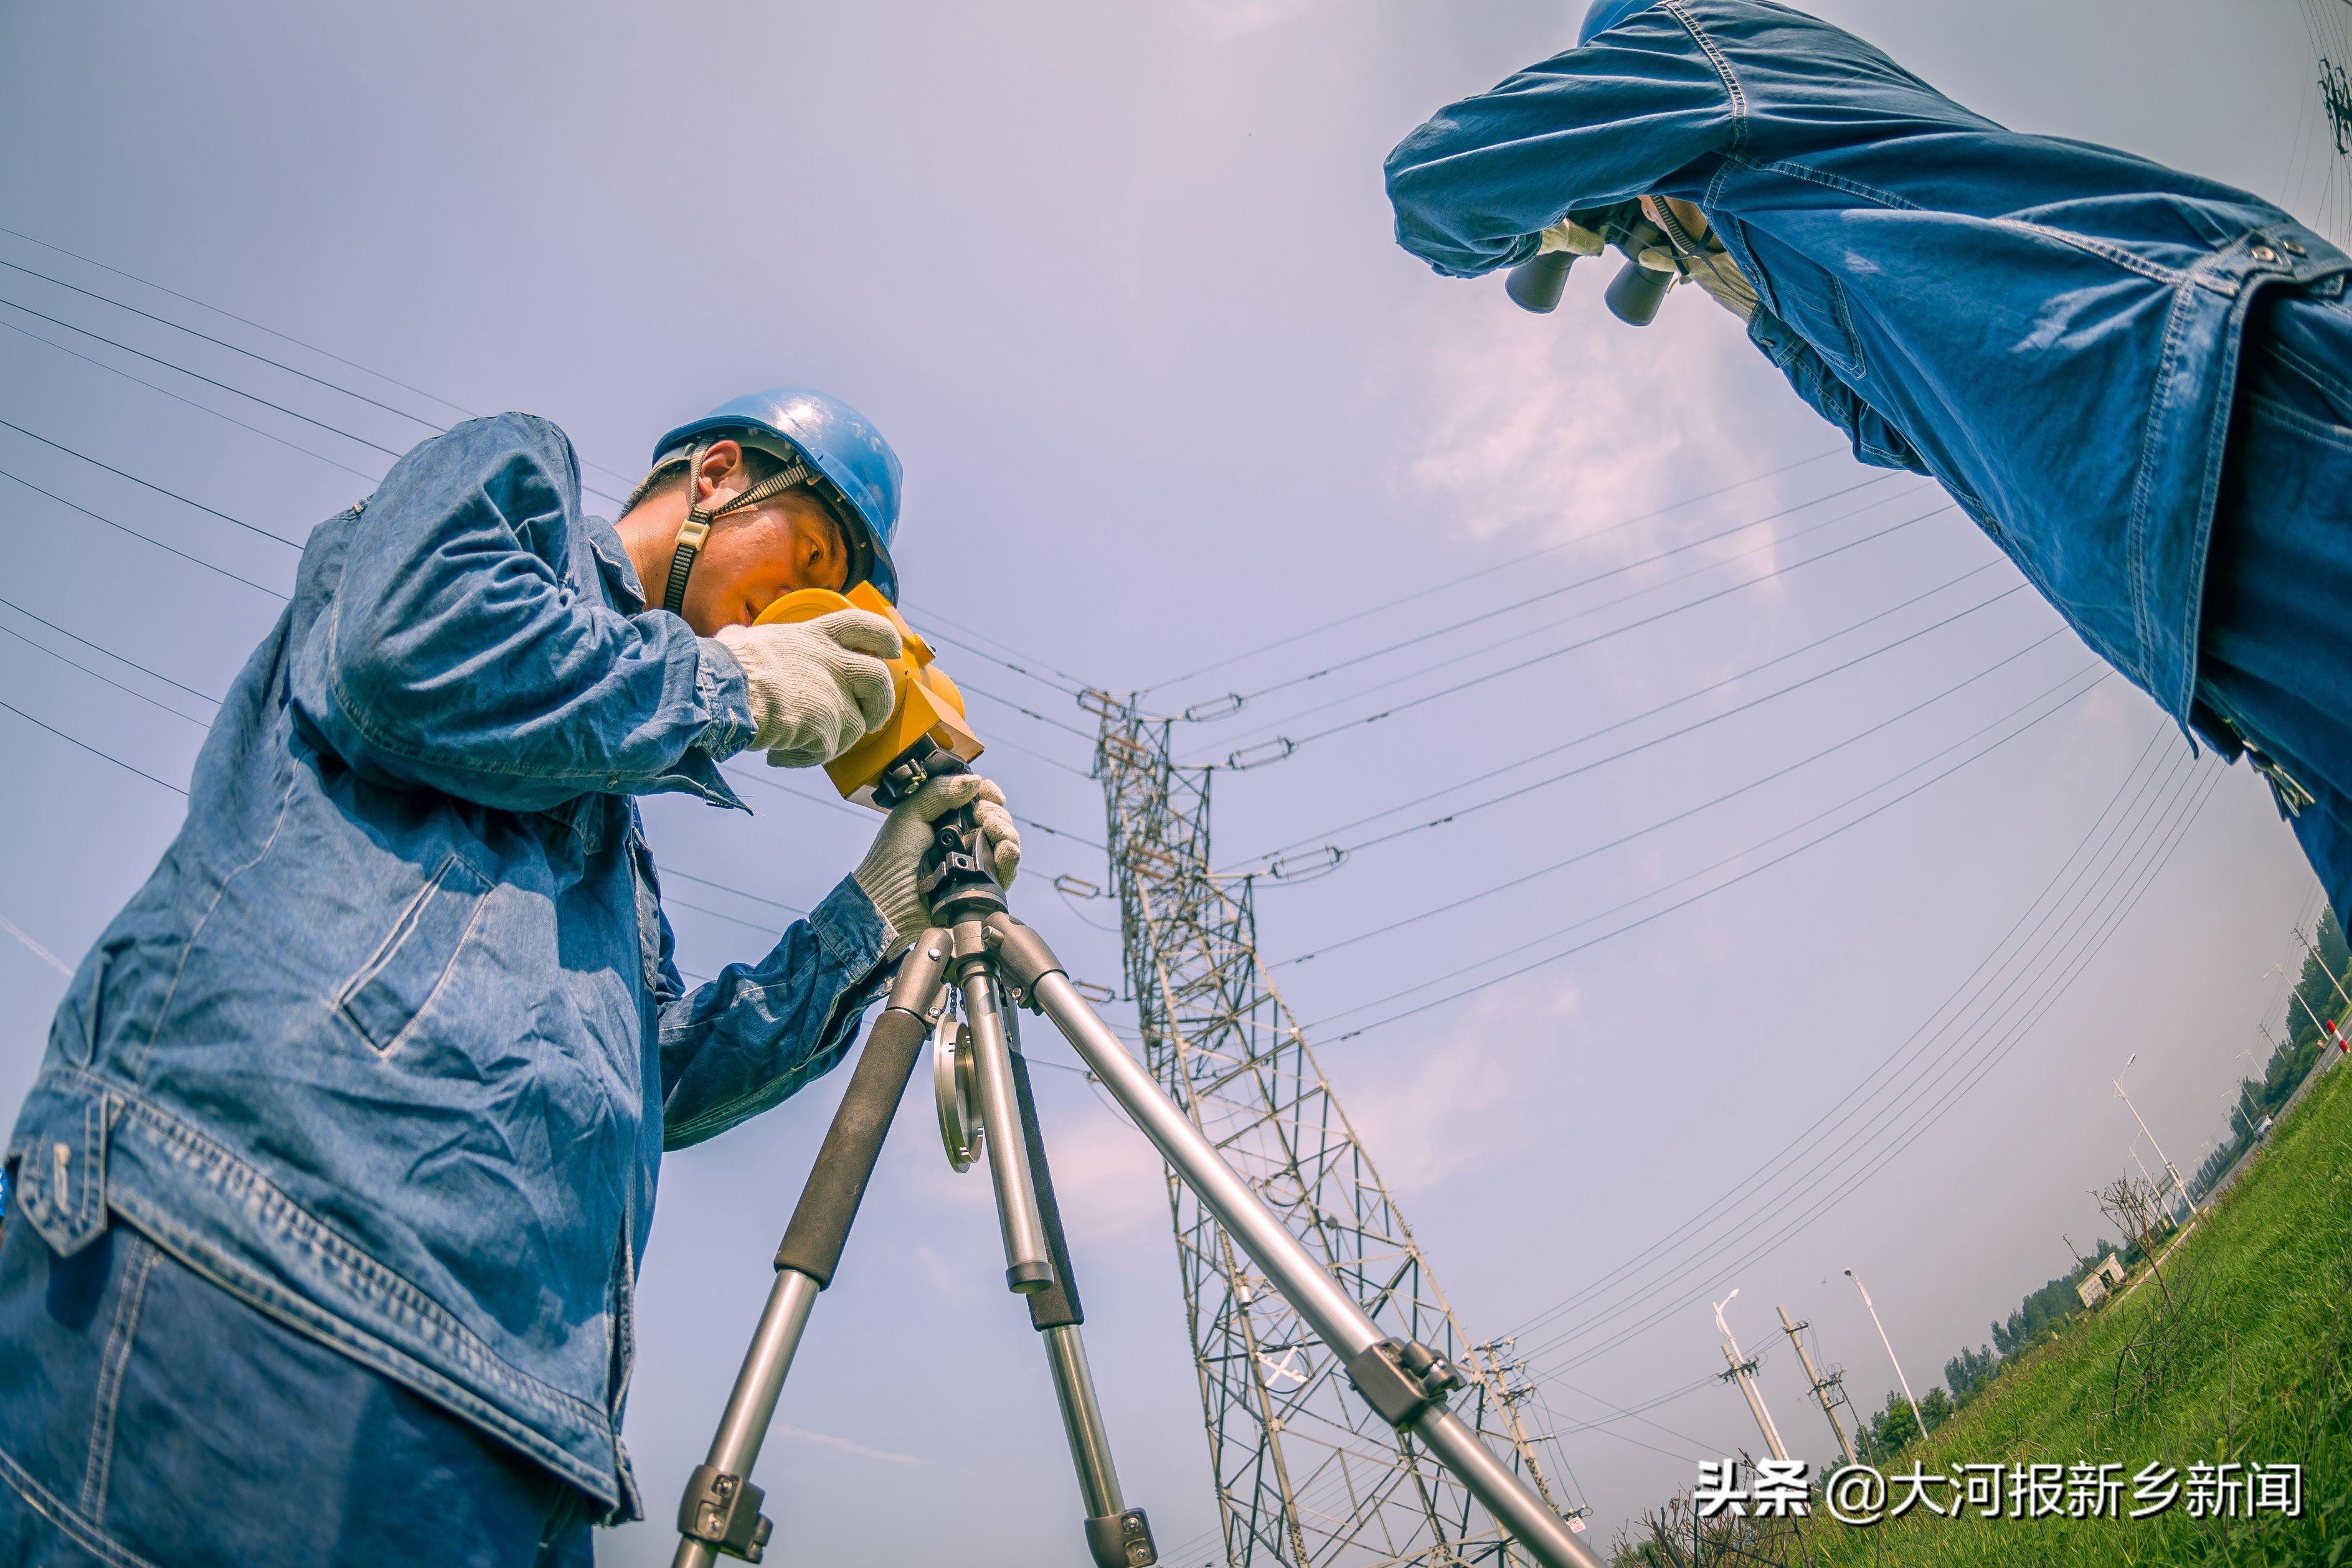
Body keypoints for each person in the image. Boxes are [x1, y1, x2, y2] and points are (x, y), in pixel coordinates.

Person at [0, 387, 1020, 1566]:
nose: (814, 607)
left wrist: (873, 913)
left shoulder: (604, 811)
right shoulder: (516, 486)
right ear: (718, 478)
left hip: (512, 1420)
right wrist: (729, 687)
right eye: (814, 559)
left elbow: (659, 1075)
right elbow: (408, 648)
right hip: (262, 1271)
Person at [1384, 0, 2352, 927]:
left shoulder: (1692, 46)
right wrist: (1723, 277)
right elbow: (1892, 429)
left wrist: (1553, 217)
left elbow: (1430, 189)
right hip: (2167, 544)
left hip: (2191, 410)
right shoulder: (1794, 175)